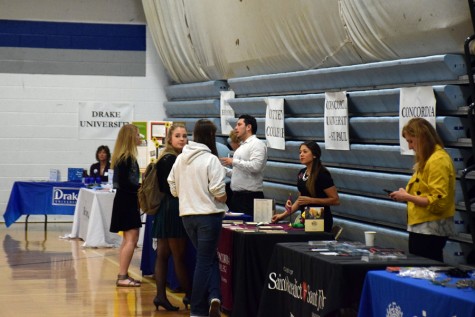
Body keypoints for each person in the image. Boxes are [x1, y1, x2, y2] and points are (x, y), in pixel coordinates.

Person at [168, 119, 227, 317]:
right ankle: (198, 309)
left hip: (187, 217)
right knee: (204, 261)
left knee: (210, 259)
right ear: (210, 136)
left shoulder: (180, 159)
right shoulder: (211, 160)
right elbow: (218, 192)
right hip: (208, 217)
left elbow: (173, 188)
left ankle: (215, 297)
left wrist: (188, 193)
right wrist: (224, 198)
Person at [389, 118, 455, 262]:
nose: (410, 146)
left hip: (431, 226)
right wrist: (406, 193)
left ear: (422, 137)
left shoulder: (437, 160)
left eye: (411, 141)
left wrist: (407, 197)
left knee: (427, 265)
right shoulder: (428, 159)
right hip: (422, 224)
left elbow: (438, 200)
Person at [151, 123, 191, 311]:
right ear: (170, 139)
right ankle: (191, 296)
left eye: (184, 135)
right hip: (173, 207)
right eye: (178, 136)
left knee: (163, 254)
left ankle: (160, 296)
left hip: (166, 208)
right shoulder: (171, 159)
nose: (182, 139)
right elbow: (170, 188)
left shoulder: (167, 157)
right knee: (178, 256)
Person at [271, 141, 340, 233]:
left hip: (319, 217)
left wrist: (312, 200)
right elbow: (301, 200)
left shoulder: (322, 174)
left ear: (314, 155)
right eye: (300, 152)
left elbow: (335, 200)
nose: (301, 155)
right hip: (306, 216)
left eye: (305, 152)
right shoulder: (301, 173)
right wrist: (282, 215)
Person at [109, 124, 142, 287]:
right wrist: (142, 188)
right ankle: (122, 276)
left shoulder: (124, 157)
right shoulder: (126, 158)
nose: (139, 137)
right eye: (137, 134)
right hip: (127, 200)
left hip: (125, 199)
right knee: (131, 239)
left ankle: (123, 273)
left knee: (128, 239)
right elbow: (126, 183)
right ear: (130, 137)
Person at [220, 114, 267, 217]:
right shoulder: (242, 146)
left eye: (239, 124)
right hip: (237, 196)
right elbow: (239, 173)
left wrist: (234, 161)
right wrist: (222, 169)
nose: (235, 128)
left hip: (249, 197)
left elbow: (256, 167)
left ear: (248, 127)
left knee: (248, 229)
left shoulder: (257, 144)